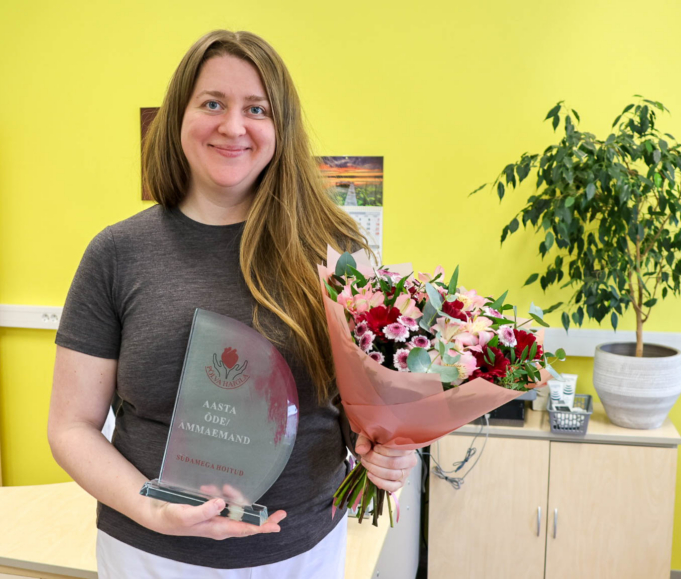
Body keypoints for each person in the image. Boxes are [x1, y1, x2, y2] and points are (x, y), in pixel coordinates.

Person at [48, 29, 419, 579]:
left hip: (300, 553)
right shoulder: (116, 254)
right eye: (212, 103)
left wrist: (386, 450)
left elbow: (359, 412)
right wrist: (150, 508)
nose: (233, 126)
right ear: (178, 116)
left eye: (256, 109)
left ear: (281, 127)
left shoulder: (335, 252)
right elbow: (71, 427)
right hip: (150, 557)